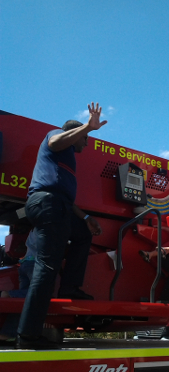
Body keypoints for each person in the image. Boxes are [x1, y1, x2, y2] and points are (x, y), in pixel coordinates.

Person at [15, 102, 107, 350]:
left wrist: (86, 219)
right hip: (47, 204)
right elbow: (56, 142)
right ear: (75, 133)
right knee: (46, 268)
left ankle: (70, 287)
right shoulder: (55, 136)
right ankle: (28, 336)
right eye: (85, 138)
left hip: (60, 206)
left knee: (82, 236)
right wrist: (88, 126)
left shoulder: (66, 160)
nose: (86, 143)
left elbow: (65, 198)